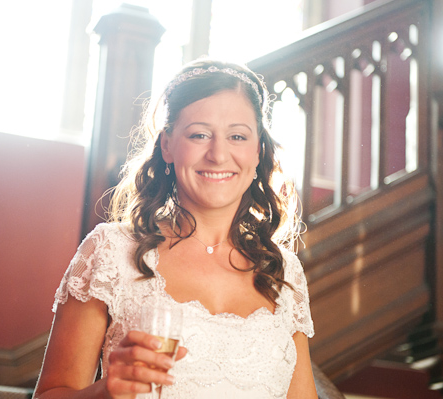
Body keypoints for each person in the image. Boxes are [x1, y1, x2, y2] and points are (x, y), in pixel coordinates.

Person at [33, 58, 317, 399]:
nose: (219, 154)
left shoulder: (285, 272)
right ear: (167, 145)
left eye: (237, 136)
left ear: (257, 152)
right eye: (199, 134)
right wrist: (105, 392)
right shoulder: (111, 250)